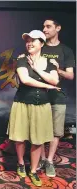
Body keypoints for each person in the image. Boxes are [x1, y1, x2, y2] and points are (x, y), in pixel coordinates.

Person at [7, 30, 60, 187]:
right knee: (20, 137)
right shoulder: (22, 60)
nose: (29, 43)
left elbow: (55, 80)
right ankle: (21, 163)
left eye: (33, 40)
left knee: (38, 140)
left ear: (42, 43)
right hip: (22, 103)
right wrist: (47, 85)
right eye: (27, 40)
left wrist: (37, 69)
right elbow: (25, 79)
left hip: (42, 105)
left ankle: (34, 170)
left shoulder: (50, 63)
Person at [37, 18, 75, 177]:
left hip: (58, 97)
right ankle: (42, 159)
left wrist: (58, 69)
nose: (45, 30)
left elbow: (71, 75)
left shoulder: (66, 50)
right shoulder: (40, 47)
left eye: (48, 26)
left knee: (55, 132)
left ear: (58, 28)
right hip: (40, 96)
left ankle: (50, 161)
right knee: (39, 130)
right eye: (43, 27)